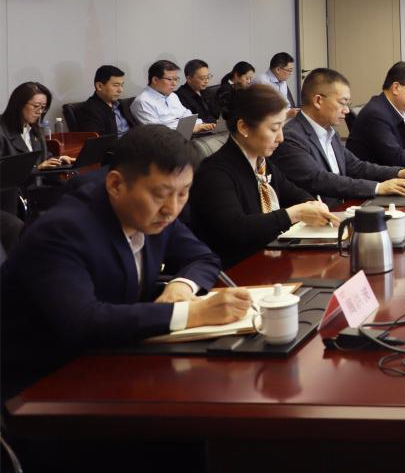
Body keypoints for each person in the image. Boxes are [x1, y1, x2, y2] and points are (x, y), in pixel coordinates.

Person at [1, 124, 251, 400]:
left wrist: (181, 287)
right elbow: (84, 322)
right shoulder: (62, 231)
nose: (172, 208)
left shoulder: (153, 213)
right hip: (43, 389)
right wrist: (192, 313)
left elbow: (203, 257)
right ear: (116, 184)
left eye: (183, 193)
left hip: (115, 360)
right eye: (160, 194)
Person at [189, 85, 337, 268]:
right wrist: (296, 213)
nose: (281, 138)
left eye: (282, 127)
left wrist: (313, 204)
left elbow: (293, 193)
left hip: (269, 260)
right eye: (274, 129)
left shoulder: (262, 163)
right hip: (235, 271)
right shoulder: (215, 172)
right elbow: (235, 229)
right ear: (243, 127)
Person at [270, 68, 405, 207]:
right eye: (342, 103)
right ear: (318, 101)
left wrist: (398, 172)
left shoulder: (330, 133)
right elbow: (319, 179)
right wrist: (378, 187)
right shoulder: (291, 137)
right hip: (315, 219)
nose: (346, 110)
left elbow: (356, 166)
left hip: (342, 209)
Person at [346, 62, 405, 167]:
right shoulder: (376, 115)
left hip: (400, 172)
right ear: (396, 88)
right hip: (378, 176)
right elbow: (396, 158)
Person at [0, 82, 74, 169]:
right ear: (19, 104)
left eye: (43, 107)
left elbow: (43, 158)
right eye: (36, 106)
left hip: (40, 177)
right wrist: (36, 168)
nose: (39, 111)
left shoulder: (35, 128)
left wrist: (59, 159)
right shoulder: (2, 130)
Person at [130, 60, 215, 133]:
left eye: (176, 79)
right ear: (155, 80)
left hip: (188, 134)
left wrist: (203, 124)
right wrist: (190, 128)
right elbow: (157, 132)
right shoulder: (143, 102)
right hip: (168, 142)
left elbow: (187, 115)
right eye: (170, 79)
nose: (174, 84)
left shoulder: (172, 96)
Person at [76, 65, 132, 137]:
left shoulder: (121, 104)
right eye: (116, 85)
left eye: (122, 85)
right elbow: (99, 141)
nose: (120, 90)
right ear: (99, 86)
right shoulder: (89, 110)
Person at [175, 59, 220, 124]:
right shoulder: (180, 96)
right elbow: (192, 121)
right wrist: (214, 121)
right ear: (189, 79)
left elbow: (217, 113)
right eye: (203, 78)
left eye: (208, 77)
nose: (206, 81)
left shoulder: (206, 91)